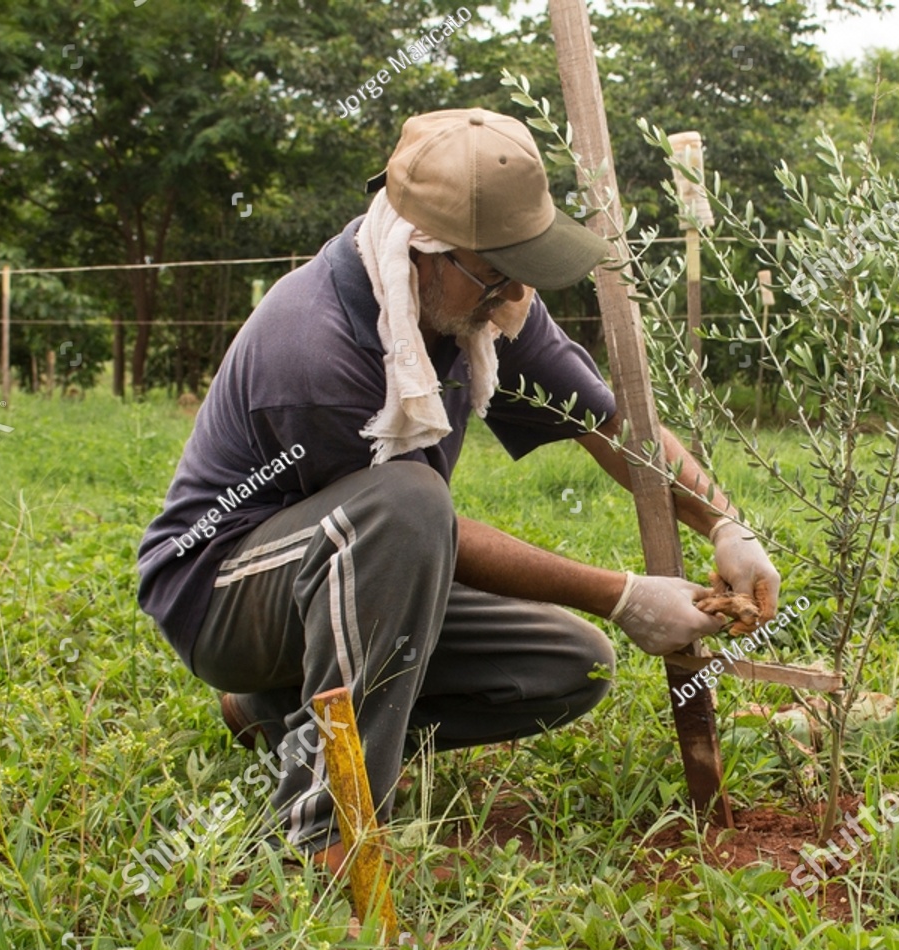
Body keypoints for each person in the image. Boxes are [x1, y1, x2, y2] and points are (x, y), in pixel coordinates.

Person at [136, 107, 781, 876]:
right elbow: (409, 525)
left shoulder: (479, 302)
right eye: (498, 270)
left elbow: (607, 423)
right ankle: (327, 835)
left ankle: (277, 709)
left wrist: (724, 523)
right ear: (425, 249)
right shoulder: (316, 346)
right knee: (406, 503)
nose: (515, 294)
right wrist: (624, 593)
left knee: (572, 663)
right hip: (222, 592)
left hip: (347, 573)